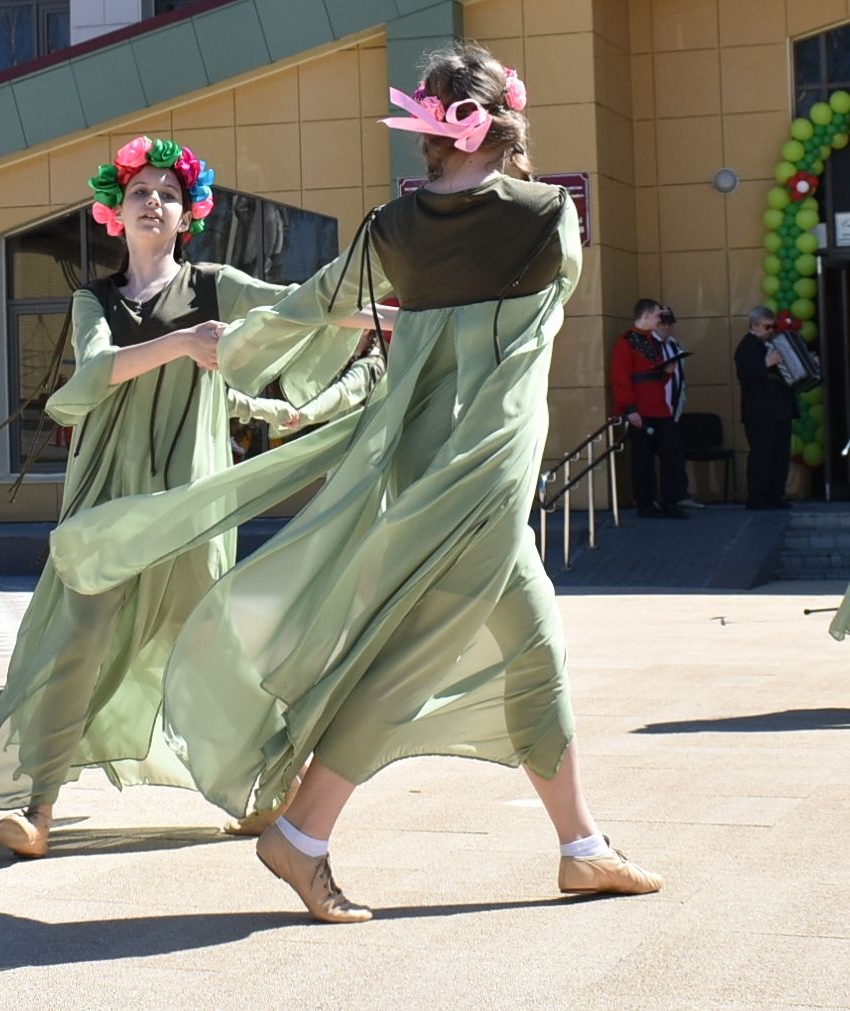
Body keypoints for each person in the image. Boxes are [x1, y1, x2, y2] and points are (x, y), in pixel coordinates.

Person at [49, 41, 662, 921]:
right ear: (499, 123)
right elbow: (540, 312)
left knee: (534, 647)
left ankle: (583, 846)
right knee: (410, 656)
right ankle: (300, 835)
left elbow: (311, 307)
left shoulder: (391, 229)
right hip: (485, 467)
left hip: (417, 462)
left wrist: (238, 354)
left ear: (434, 128)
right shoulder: (545, 215)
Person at [0, 136, 384, 857]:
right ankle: (38, 804)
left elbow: (296, 309)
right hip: (109, 494)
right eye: (139, 191)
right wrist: (184, 342)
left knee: (215, 639)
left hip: (191, 491)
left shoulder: (214, 285)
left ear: (186, 215)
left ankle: (263, 792)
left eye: (167, 194)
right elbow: (93, 376)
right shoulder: (95, 299)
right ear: (116, 210)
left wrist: (381, 319)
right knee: (76, 640)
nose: (152, 201)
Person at [610, 298, 687, 519]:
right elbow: (621, 378)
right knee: (643, 460)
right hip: (641, 411)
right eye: (656, 315)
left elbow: (654, 379)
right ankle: (646, 504)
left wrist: (667, 372)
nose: (659, 320)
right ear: (645, 316)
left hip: (661, 409)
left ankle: (670, 501)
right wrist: (630, 409)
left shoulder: (653, 343)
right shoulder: (626, 342)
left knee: (672, 456)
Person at [734, 305, 798, 510]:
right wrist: (766, 363)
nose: (771, 331)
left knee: (780, 454)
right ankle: (757, 496)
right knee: (762, 454)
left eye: (773, 327)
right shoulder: (747, 346)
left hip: (779, 410)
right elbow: (745, 374)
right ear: (754, 325)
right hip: (760, 413)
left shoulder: (771, 344)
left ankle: (775, 494)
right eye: (767, 327)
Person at [655, 305, 703, 508]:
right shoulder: (650, 345)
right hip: (655, 411)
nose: (666, 327)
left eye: (669, 324)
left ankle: (680, 495)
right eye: (662, 323)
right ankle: (665, 499)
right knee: (663, 455)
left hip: (673, 410)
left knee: (675, 454)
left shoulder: (674, 345)